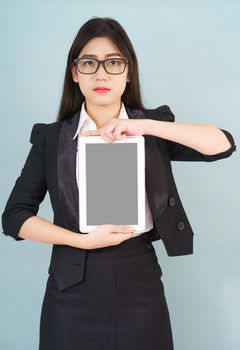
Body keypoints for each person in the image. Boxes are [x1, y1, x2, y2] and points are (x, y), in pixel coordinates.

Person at [1, 16, 236, 350]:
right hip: (72, 288)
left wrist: (146, 127)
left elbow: (223, 145)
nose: (100, 73)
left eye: (113, 62)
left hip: (139, 281)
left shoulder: (152, 130)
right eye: (88, 62)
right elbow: (14, 217)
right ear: (74, 73)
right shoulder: (50, 139)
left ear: (128, 73)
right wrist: (81, 241)